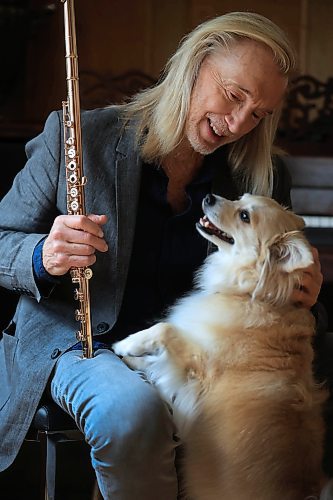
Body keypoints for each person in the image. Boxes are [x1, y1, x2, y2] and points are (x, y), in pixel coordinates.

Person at [0, 11, 326, 500]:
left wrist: (301, 292)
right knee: (131, 410)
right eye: (234, 95)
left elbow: (274, 291)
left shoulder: (261, 175)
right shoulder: (81, 136)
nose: (239, 123)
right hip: (81, 340)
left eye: (259, 113)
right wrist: (42, 255)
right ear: (192, 66)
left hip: (199, 353)